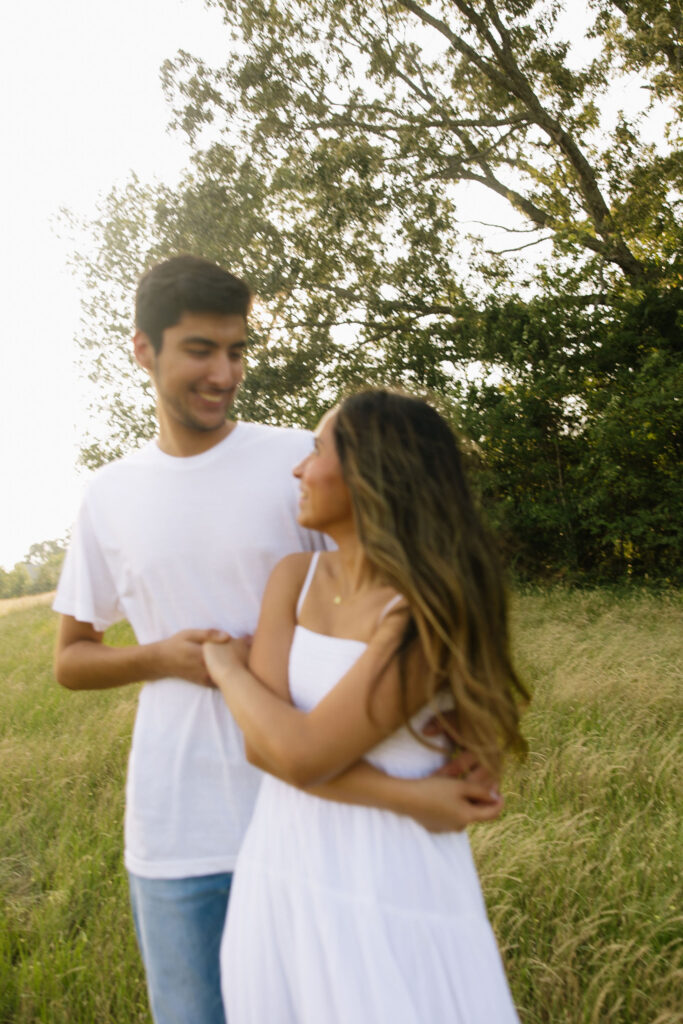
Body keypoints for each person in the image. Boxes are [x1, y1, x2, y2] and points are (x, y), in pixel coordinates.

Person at [53, 258, 503, 1024]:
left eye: (236, 351)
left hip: (322, 822)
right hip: (177, 827)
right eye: (200, 350)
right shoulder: (108, 493)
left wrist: (465, 716)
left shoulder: (302, 463)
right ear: (142, 350)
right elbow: (71, 657)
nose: (223, 373)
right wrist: (163, 658)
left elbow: (391, 599)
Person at [204, 389, 529, 1024]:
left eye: (317, 449)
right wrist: (408, 795)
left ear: (373, 471)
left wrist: (223, 667)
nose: (299, 468)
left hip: (389, 882)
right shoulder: (292, 578)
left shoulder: (422, 613)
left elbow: (296, 752)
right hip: (282, 864)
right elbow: (261, 748)